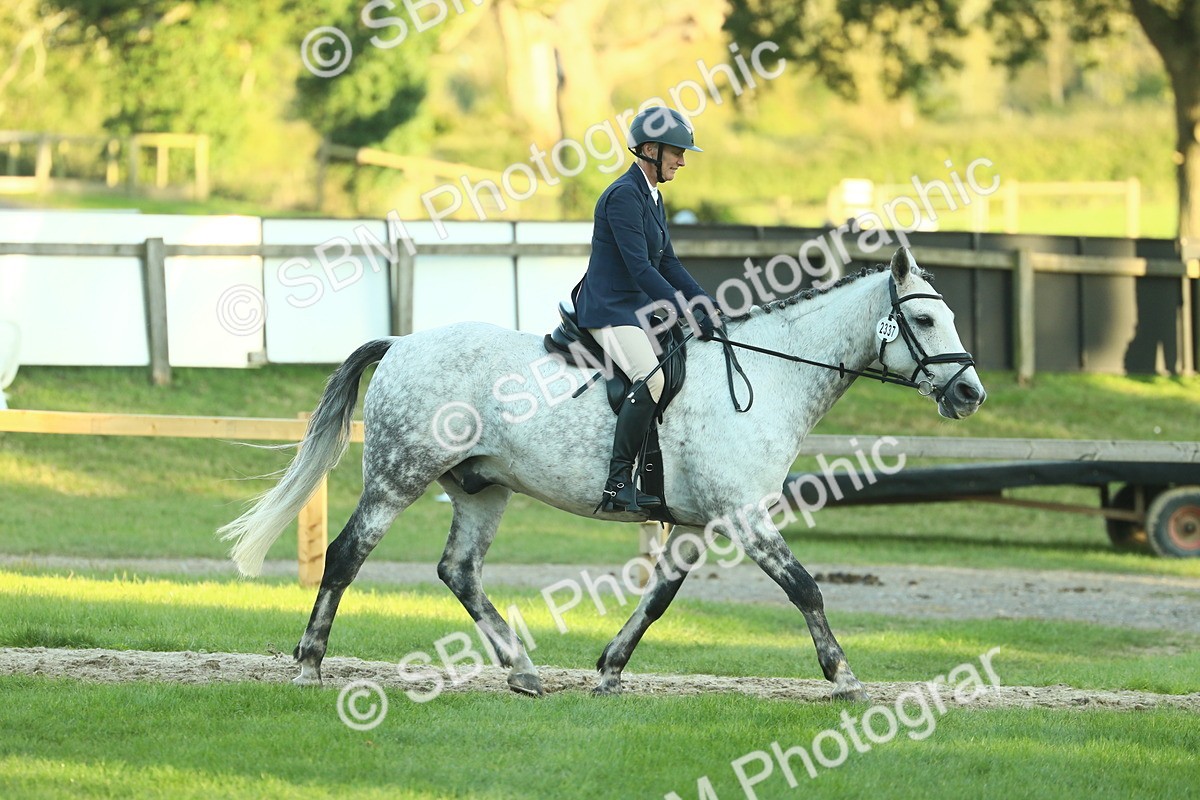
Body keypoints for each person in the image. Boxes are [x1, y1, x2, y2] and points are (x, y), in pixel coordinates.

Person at [571, 106, 722, 514]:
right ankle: (617, 483)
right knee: (650, 380)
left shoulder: (652, 197)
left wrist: (703, 302)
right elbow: (640, 268)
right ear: (651, 149)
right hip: (609, 309)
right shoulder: (623, 196)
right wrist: (683, 310)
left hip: (634, 310)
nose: (683, 160)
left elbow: (668, 262)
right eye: (677, 152)